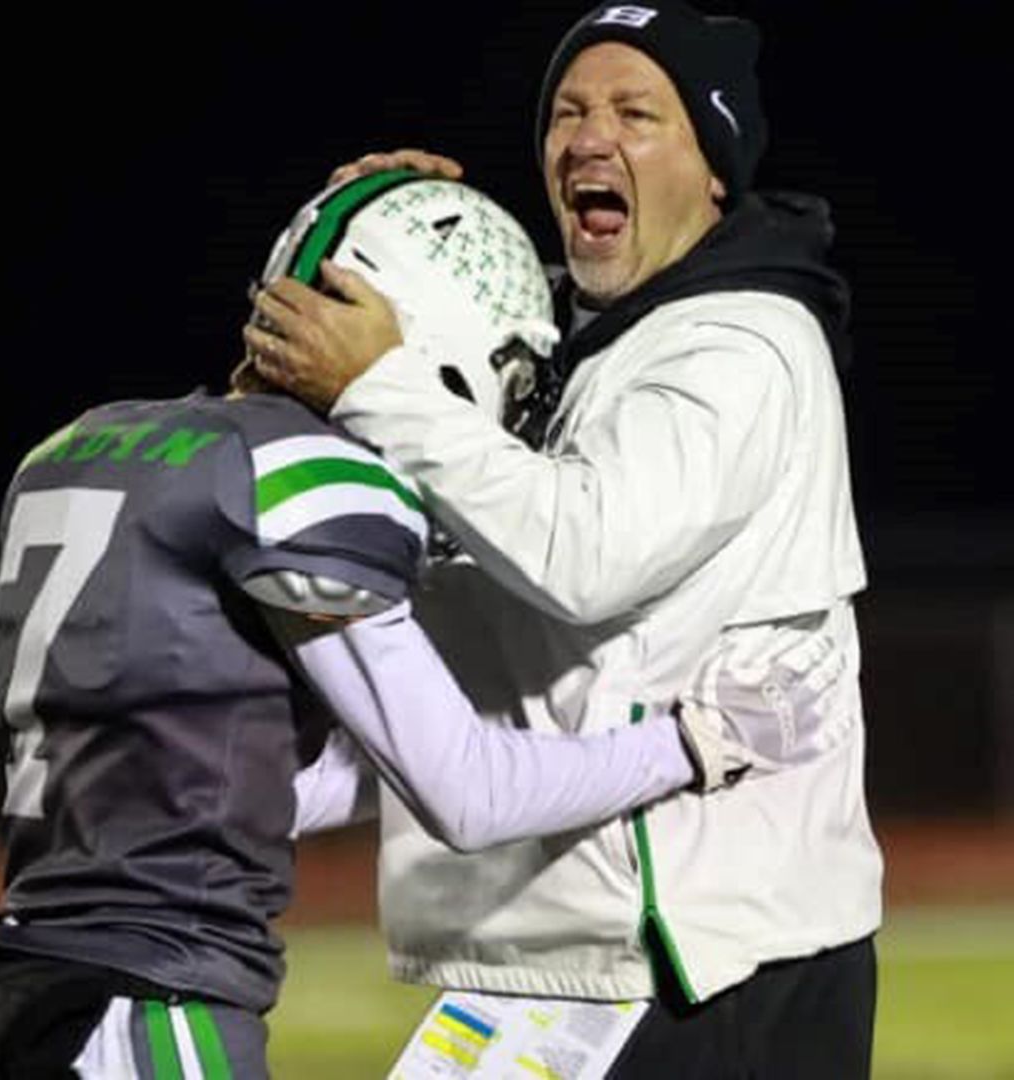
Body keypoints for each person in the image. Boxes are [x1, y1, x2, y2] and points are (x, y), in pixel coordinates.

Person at [0, 173, 750, 1079]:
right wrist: (692, 744)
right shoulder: (303, 480)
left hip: (13, 996)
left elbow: (230, 783)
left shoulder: (79, 447)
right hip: (149, 1010)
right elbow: (471, 798)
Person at [246, 2, 885, 1076]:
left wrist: (379, 381)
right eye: (569, 112)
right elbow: (378, 453)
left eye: (638, 113)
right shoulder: (555, 348)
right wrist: (371, 236)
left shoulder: (747, 342)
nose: (590, 137)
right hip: (554, 960)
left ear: (714, 166)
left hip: (700, 963)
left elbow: (585, 555)